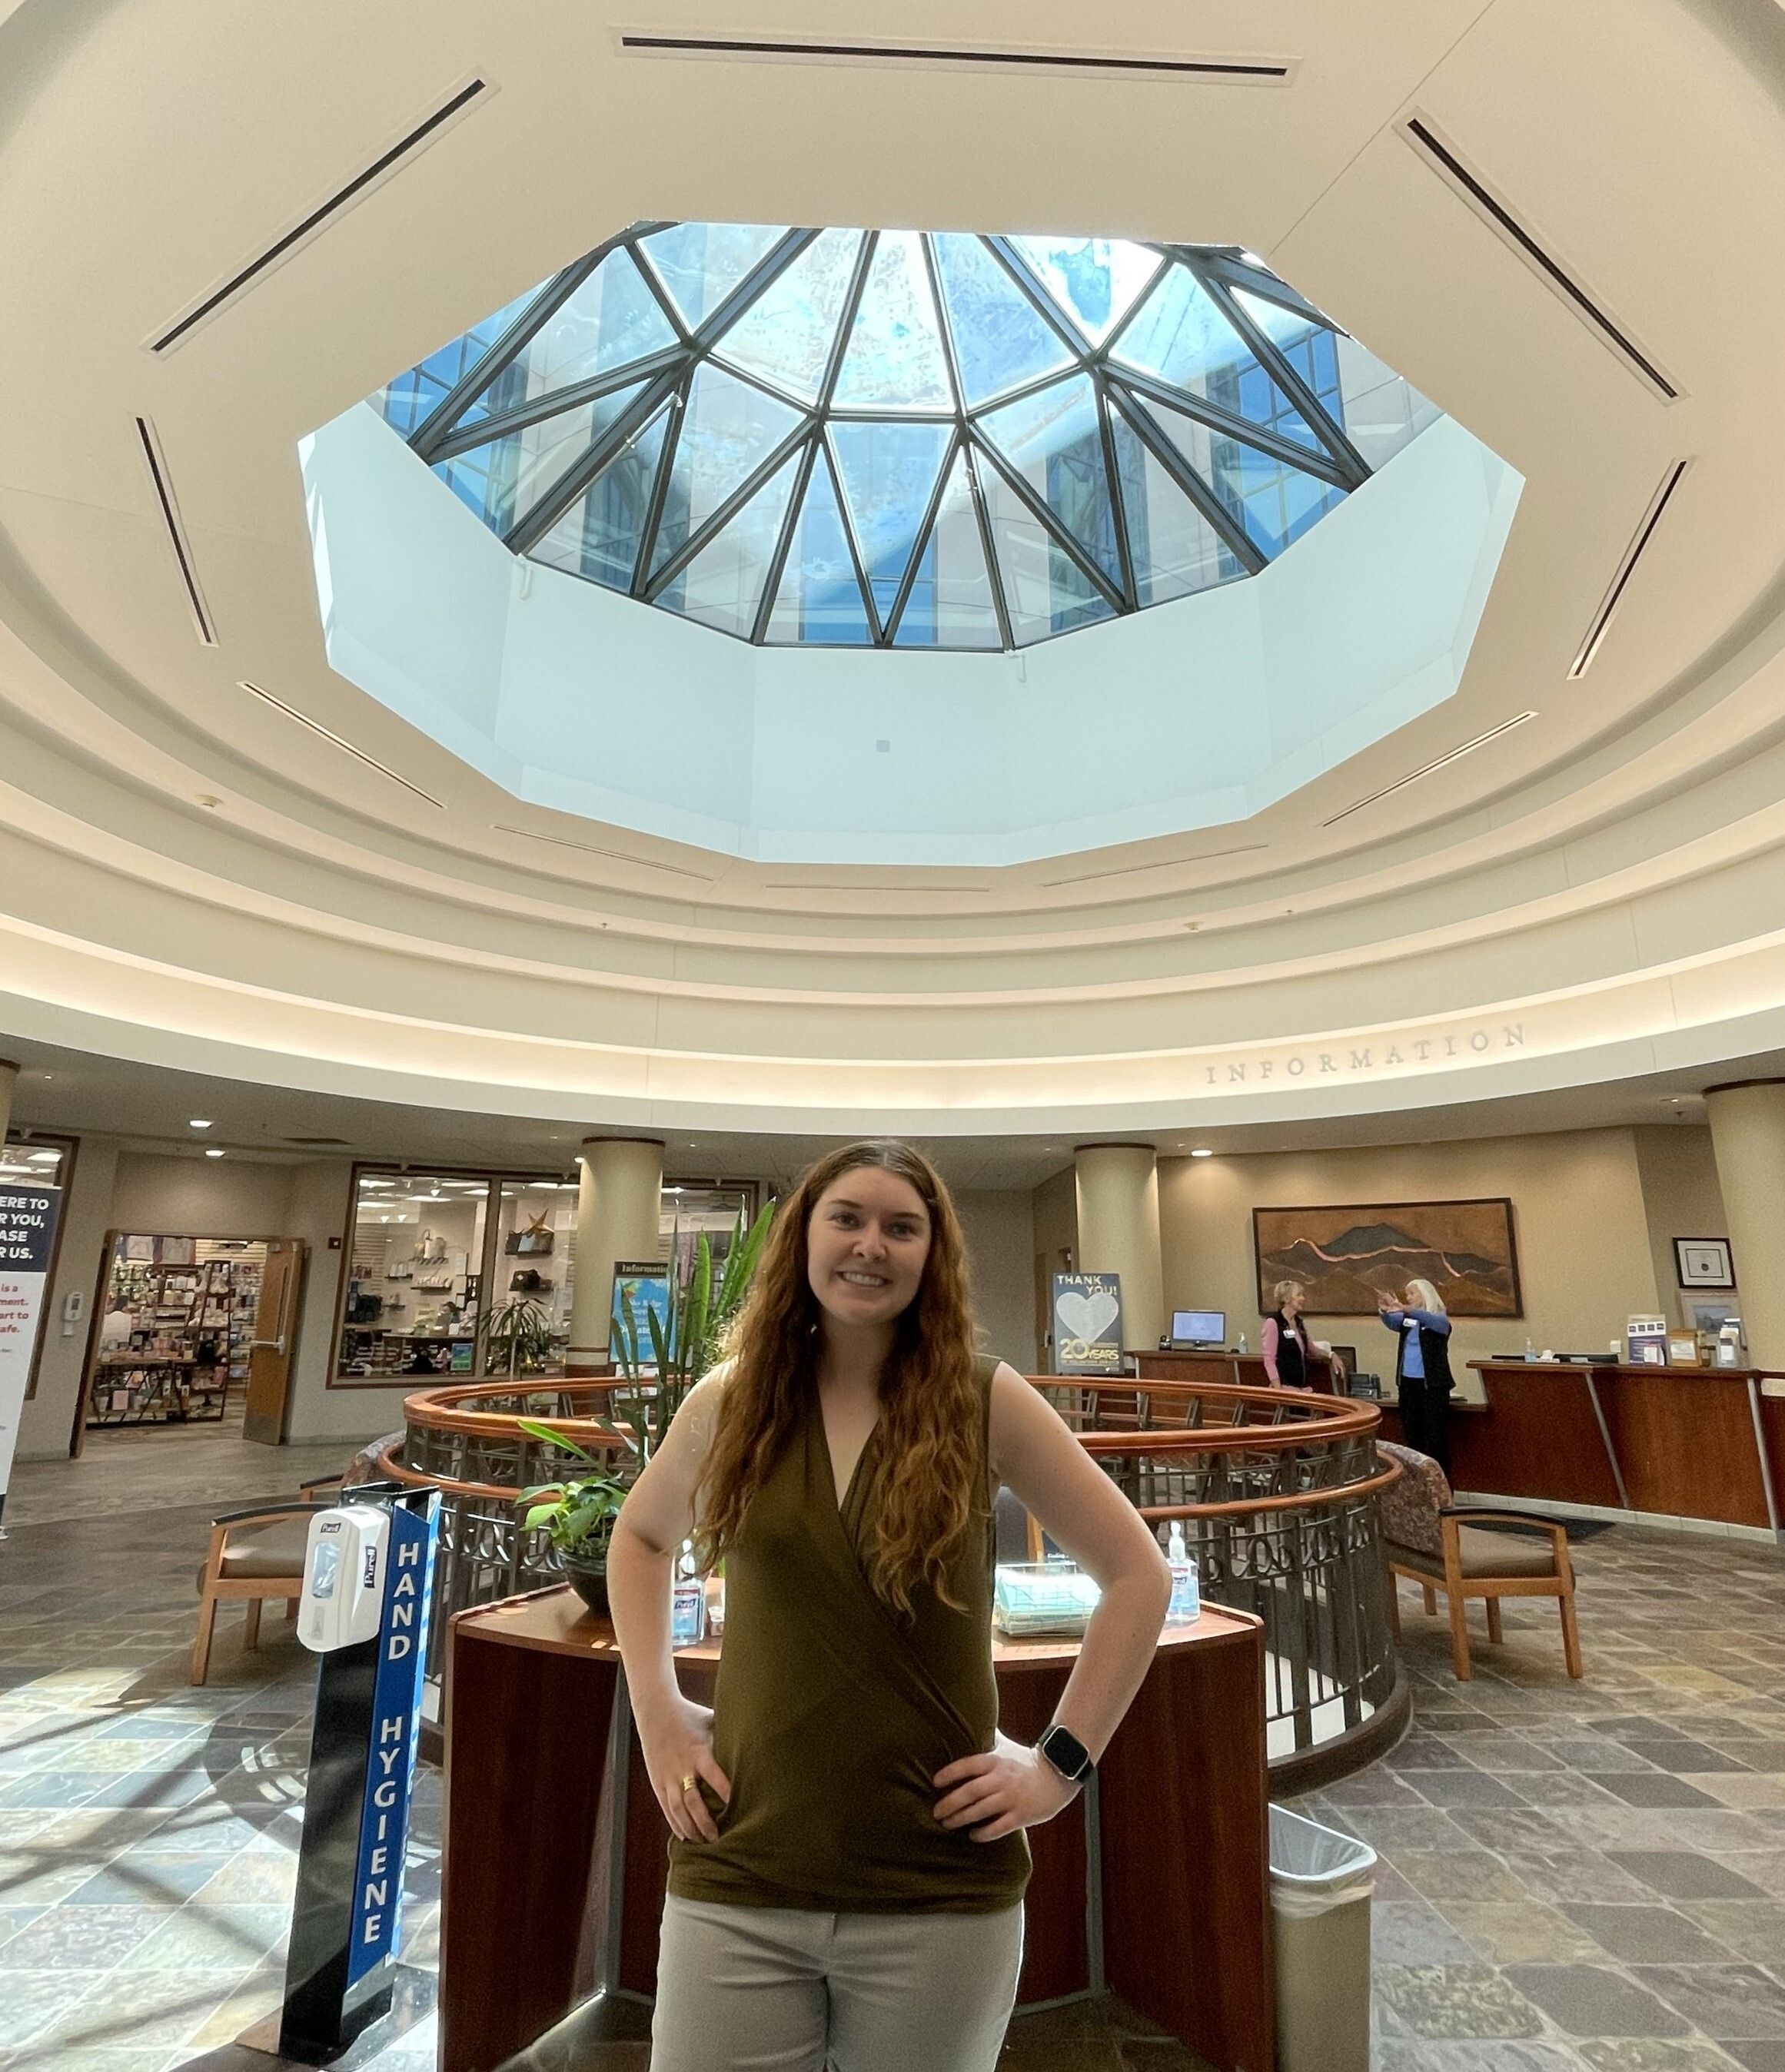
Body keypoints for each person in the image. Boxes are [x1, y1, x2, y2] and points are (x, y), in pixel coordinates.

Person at [608, 1140, 1172, 2072]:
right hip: (742, 1865)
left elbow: (1138, 1574)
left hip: (938, 1886)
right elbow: (639, 1537)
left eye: (901, 1226)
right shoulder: (733, 1399)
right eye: (848, 1218)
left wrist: (1060, 1765)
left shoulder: (984, 1398)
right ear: (802, 1238)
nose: (871, 1244)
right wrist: (659, 1713)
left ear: (931, 1252)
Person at [1378, 1277, 1455, 1476]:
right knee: (1413, 1438)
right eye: (1407, 1294)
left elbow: (1435, 1321)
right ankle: (1418, 1486)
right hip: (1408, 1386)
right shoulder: (1408, 1321)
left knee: (1435, 1439)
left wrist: (1405, 1308)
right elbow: (1392, 1321)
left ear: (1425, 1295)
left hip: (1432, 1388)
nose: (1408, 1298)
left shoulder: (1438, 1320)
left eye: (1412, 1294)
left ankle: (1442, 1488)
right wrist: (1385, 1311)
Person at [1259, 1280, 1345, 1390]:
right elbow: (1269, 1360)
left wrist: (1331, 1355)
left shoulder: (1298, 1322)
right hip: (1285, 1389)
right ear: (1287, 1299)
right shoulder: (1273, 1323)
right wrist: (1278, 1390)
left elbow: (1310, 1348)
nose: (1303, 1299)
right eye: (1299, 1295)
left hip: (1303, 1389)